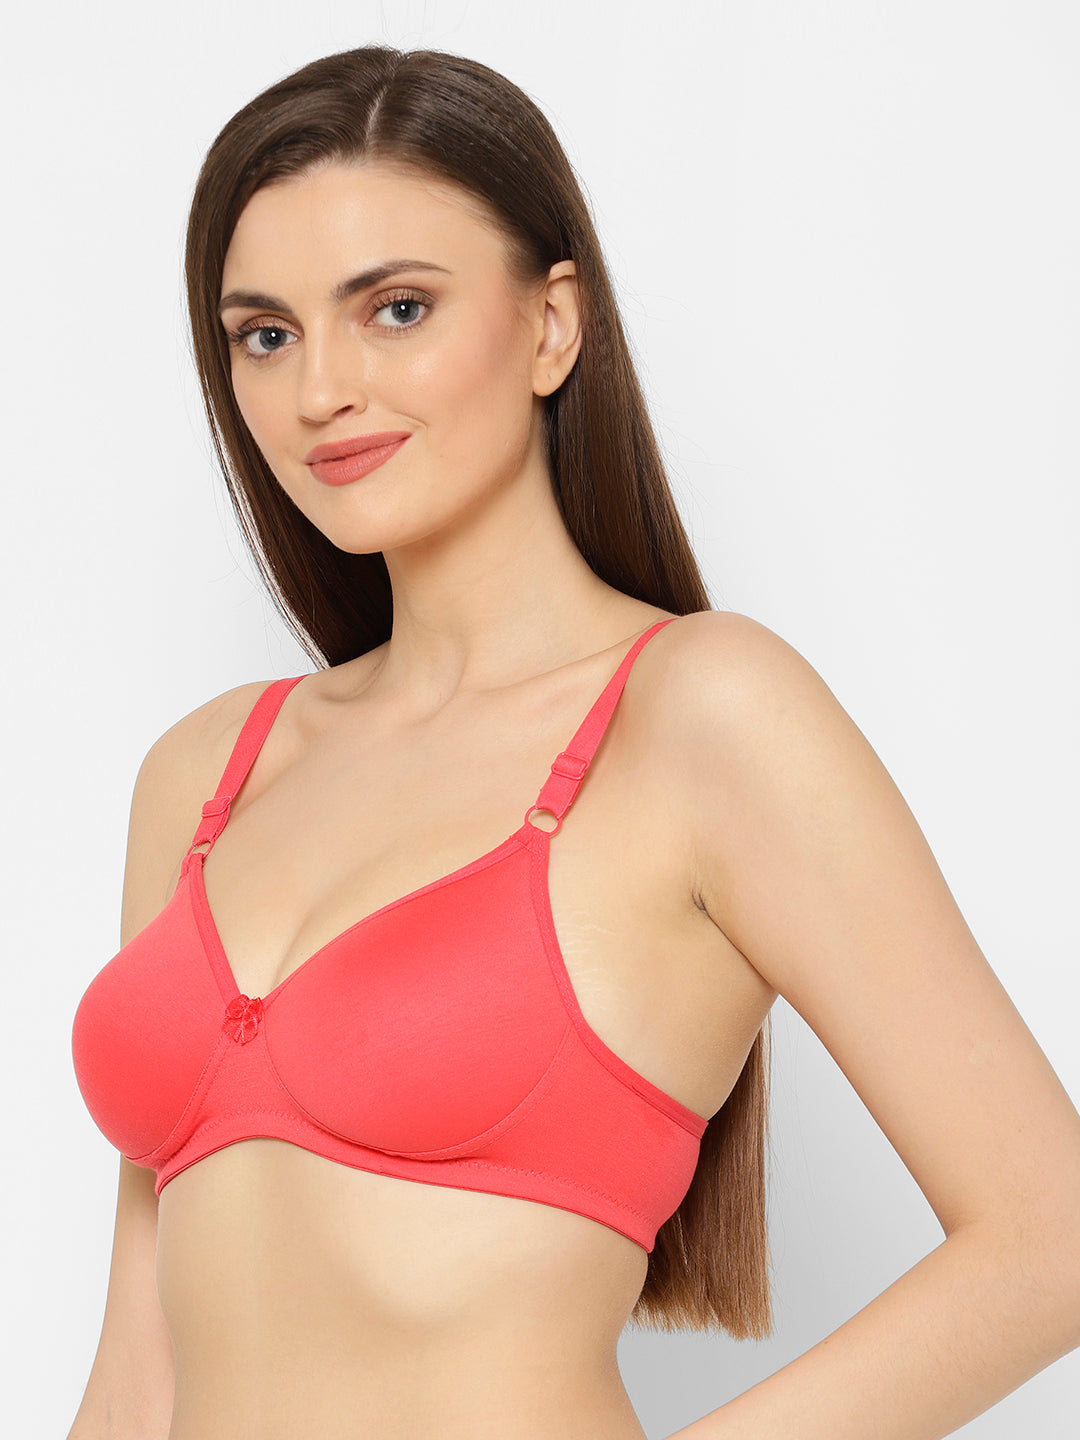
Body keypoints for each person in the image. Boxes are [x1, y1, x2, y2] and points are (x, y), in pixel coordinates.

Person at [67, 44, 1080, 1440]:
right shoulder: (202, 773)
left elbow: (1051, 1238)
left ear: (552, 326)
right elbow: (138, 1376)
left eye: (397, 309)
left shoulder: (702, 717)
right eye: (266, 335)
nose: (320, 391)